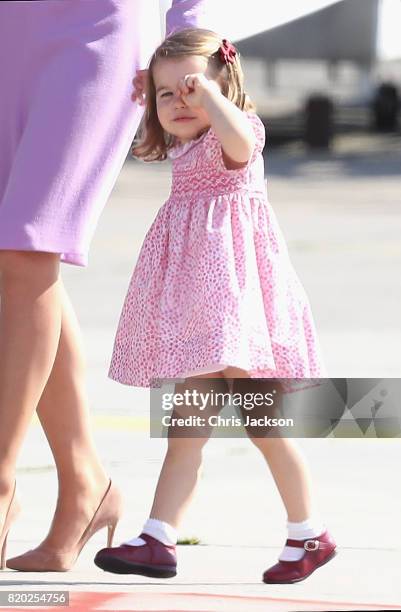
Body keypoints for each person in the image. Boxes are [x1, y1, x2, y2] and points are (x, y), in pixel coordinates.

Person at [93, 29, 337, 584]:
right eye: (166, 95)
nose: (180, 103)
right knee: (187, 428)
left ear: (224, 88)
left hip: (240, 315)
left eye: (192, 91)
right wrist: (153, 86)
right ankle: (158, 537)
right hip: (200, 317)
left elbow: (242, 142)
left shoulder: (238, 134)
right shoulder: (181, 149)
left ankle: (310, 532)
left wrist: (208, 94)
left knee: (264, 425)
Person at [0, 0, 208, 573]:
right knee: (17, 265)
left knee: (27, 243)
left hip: (97, 38)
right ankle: (85, 483)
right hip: (8, 34)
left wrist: (188, 43)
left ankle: (0, 484)